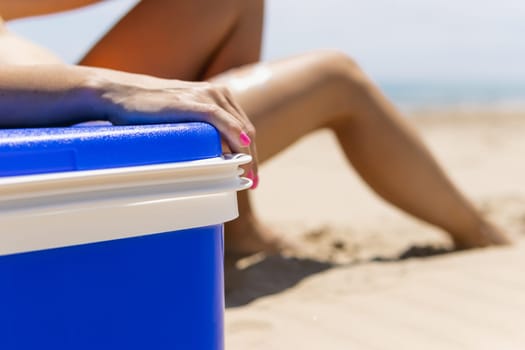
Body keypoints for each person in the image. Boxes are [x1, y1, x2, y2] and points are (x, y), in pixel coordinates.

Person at [0, 0, 511, 256]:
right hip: (57, 143)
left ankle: (237, 227)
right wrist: (102, 88)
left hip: (53, 111)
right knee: (337, 78)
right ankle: (482, 236)